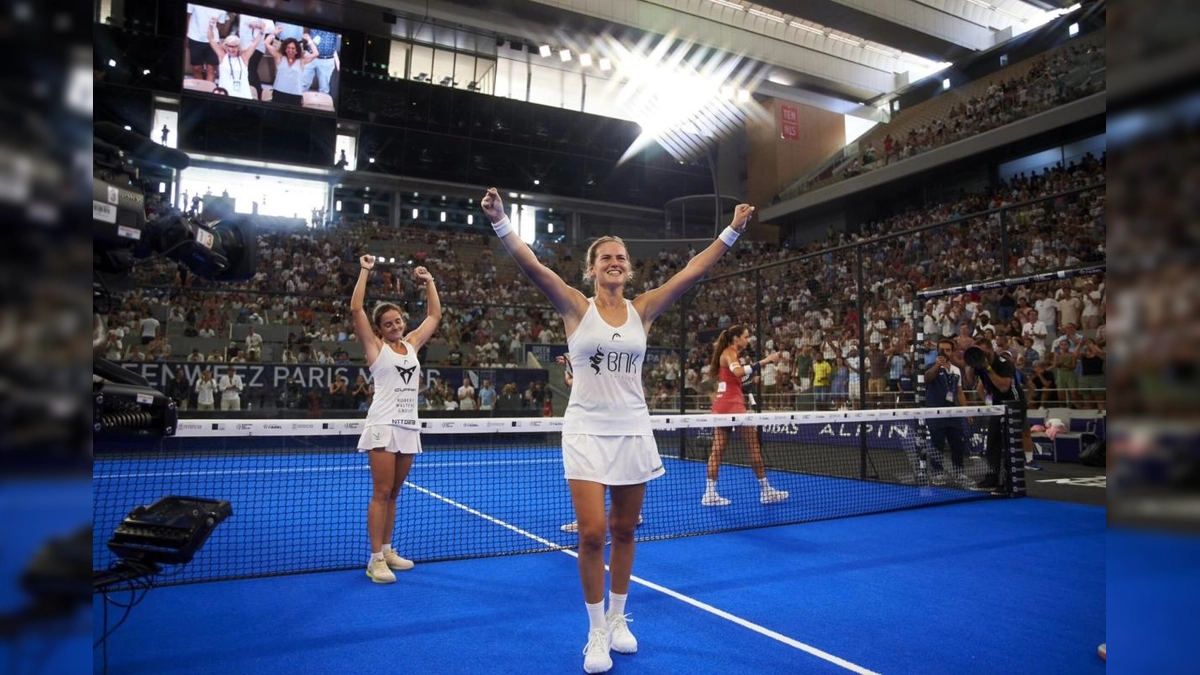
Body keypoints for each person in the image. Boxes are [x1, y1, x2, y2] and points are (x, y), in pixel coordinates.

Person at [483, 186, 755, 673]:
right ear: (591, 268)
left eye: (621, 257)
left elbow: (694, 271)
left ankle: (617, 617)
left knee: (625, 530)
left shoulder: (643, 309)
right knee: (591, 534)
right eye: (605, 256)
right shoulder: (573, 306)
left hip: (632, 427)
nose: (614, 262)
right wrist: (502, 221)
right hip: (586, 429)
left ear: (629, 268)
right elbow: (532, 266)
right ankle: (593, 633)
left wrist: (732, 230)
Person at [351, 254, 441, 584]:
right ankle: (375, 559)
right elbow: (356, 310)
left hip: (407, 426)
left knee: (394, 494)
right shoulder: (375, 348)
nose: (395, 326)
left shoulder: (413, 344)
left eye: (398, 321)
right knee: (381, 492)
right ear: (379, 329)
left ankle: (387, 550)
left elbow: (434, 315)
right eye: (388, 324)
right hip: (382, 426)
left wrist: (429, 280)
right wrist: (364, 271)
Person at [557, 353, 643, 535]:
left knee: (613, 470)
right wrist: (571, 370)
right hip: (591, 419)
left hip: (616, 420)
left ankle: (631, 514)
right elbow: (572, 383)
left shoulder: (609, 357)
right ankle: (588, 519)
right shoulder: (582, 355)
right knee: (597, 471)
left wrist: (573, 367)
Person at [702, 325, 788, 507]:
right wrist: (766, 361)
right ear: (736, 338)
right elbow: (739, 372)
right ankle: (766, 492)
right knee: (754, 448)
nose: (748, 340)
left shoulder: (727, 354)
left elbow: (735, 380)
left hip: (721, 406)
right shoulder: (730, 353)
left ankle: (709, 494)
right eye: (746, 336)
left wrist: (750, 381)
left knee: (716, 451)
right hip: (734, 408)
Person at [969, 338, 1027, 491]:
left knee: (1009, 443)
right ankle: (991, 479)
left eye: (982, 351)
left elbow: (1003, 387)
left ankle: (1010, 482)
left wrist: (988, 368)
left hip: (1013, 405)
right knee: (993, 443)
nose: (981, 355)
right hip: (997, 406)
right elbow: (971, 383)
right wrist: (971, 364)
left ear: (990, 349)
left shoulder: (1003, 363)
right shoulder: (979, 364)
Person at [921, 339, 974, 488]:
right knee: (937, 444)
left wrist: (966, 412)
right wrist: (938, 366)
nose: (944, 352)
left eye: (948, 350)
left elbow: (960, 392)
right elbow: (927, 378)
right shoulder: (931, 367)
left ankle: (959, 472)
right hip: (935, 413)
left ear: (953, 351)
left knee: (957, 444)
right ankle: (937, 472)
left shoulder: (956, 370)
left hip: (954, 413)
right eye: (942, 349)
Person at [207, 18, 261, 100]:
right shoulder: (222, 56)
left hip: (242, 95)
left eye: (234, 47)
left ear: (238, 47)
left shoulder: (244, 57)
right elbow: (211, 39)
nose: (231, 49)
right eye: (229, 46)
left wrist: (262, 32)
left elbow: (254, 44)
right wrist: (211, 25)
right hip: (225, 95)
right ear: (226, 46)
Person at [264, 27, 318, 106]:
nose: (290, 50)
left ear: (296, 50)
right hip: (279, 93)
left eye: (293, 48)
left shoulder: (301, 61)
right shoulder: (279, 57)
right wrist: (274, 33)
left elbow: (316, 54)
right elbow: (266, 43)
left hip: (295, 95)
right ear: (285, 49)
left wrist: (309, 40)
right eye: (288, 48)